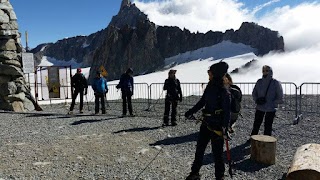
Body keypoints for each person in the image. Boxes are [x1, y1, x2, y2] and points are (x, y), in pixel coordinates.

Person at [184, 62, 231, 180]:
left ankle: (219, 177)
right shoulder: (212, 85)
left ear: (215, 73)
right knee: (200, 150)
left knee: (216, 154)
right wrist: (191, 111)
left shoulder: (223, 90)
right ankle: (195, 173)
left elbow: (227, 111)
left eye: (210, 71)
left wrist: (225, 127)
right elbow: (203, 101)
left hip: (217, 126)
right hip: (208, 123)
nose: (208, 73)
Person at [250, 65, 283, 136]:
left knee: (268, 126)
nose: (265, 72)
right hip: (260, 106)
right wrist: (257, 100)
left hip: (271, 108)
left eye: (267, 70)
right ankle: (253, 139)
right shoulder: (259, 82)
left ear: (270, 71)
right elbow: (254, 93)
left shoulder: (275, 83)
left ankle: (267, 141)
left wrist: (273, 103)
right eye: (263, 71)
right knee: (256, 124)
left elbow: (280, 95)